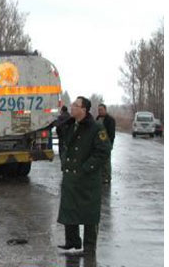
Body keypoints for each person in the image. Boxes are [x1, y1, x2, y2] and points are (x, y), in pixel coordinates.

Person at [57, 96, 111, 255]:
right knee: (69, 209)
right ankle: (72, 242)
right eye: (73, 104)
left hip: (87, 179)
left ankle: (89, 248)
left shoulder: (96, 128)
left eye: (75, 105)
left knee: (89, 214)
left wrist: (86, 168)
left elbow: (104, 151)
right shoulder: (71, 124)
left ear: (83, 110)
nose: (72, 107)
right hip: (71, 178)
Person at [96, 104, 116, 184]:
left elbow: (111, 134)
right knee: (99, 160)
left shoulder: (110, 120)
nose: (100, 111)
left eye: (101, 109)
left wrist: (109, 144)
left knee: (106, 161)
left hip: (107, 143)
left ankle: (107, 177)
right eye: (99, 110)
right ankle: (101, 176)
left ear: (105, 109)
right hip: (98, 143)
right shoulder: (97, 119)